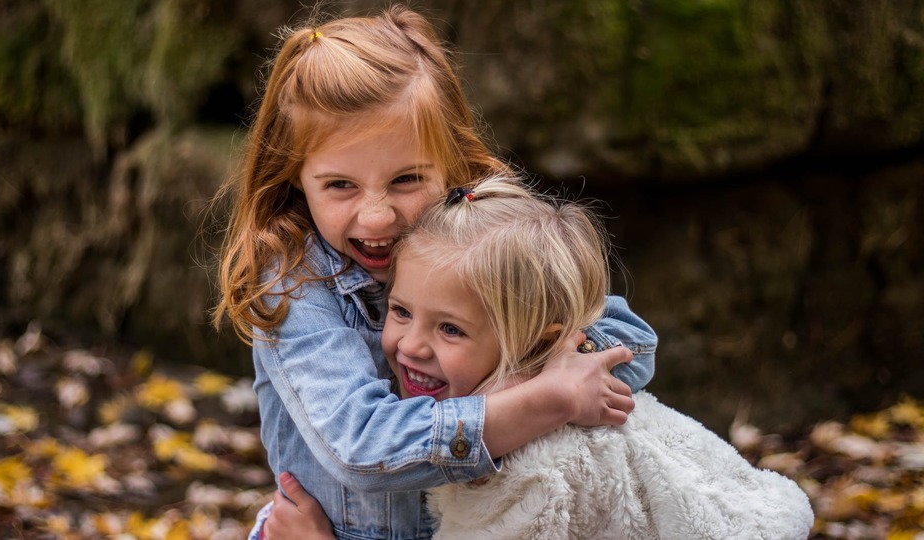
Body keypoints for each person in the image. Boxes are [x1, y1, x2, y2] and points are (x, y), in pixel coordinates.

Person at [212, 5, 657, 540]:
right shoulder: (294, 282)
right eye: (340, 185)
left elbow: (629, 343)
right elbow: (363, 446)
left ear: (451, 162)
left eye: (406, 179)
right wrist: (544, 399)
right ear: (295, 180)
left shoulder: (480, 246)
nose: (377, 216)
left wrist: (545, 371)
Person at [261, 176, 815, 539]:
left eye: (450, 328)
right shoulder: (543, 394)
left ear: (537, 341)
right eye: (399, 312)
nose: (409, 345)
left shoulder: (538, 470)